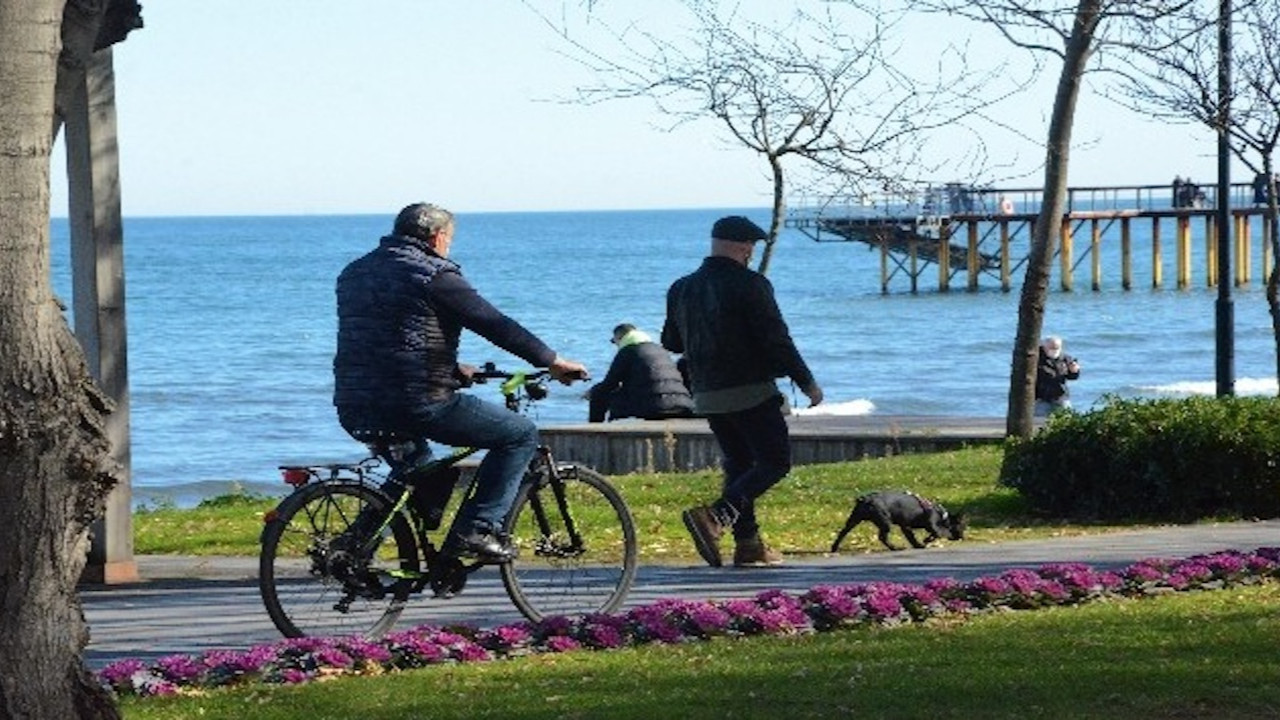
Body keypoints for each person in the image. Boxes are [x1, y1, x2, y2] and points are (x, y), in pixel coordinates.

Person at [332, 202, 587, 564]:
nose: (448, 247)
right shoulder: (435, 276)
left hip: (355, 402)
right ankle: (478, 530)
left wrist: (451, 368)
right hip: (418, 402)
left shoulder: (354, 273)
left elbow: (386, 338)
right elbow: (496, 325)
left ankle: (351, 549)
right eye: (449, 240)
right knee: (519, 434)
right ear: (438, 237)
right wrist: (553, 361)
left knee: (417, 472)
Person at [661, 215, 824, 568]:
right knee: (775, 462)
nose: (751, 252)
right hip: (750, 389)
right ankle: (715, 517)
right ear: (740, 245)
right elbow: (776, 339)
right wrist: (806, 381)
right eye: (750, 245)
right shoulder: (752, 285)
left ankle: (749, 546)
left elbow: (670, 341)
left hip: (706, 393)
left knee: (740, 466)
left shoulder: (681, 287)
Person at [587, 323, 694, 423]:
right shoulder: (661, 351)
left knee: (598, 393)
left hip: (653, 408)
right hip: (683, 406)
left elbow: (609, 384)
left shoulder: (628, 352)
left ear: (620, 338)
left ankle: (593, 432)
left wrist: (591, 392)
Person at [1034, 335, 1081, 416]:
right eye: (1052, 348)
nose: (1054, 350)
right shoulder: (1036, 358)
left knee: (1067, 418)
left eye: (1057, 348)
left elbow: (1072, 377)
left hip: (1060, 395)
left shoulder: (1065, 358)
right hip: (1041, 397)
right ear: (1044, 346)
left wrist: (1074, 371)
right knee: (1040, 421)